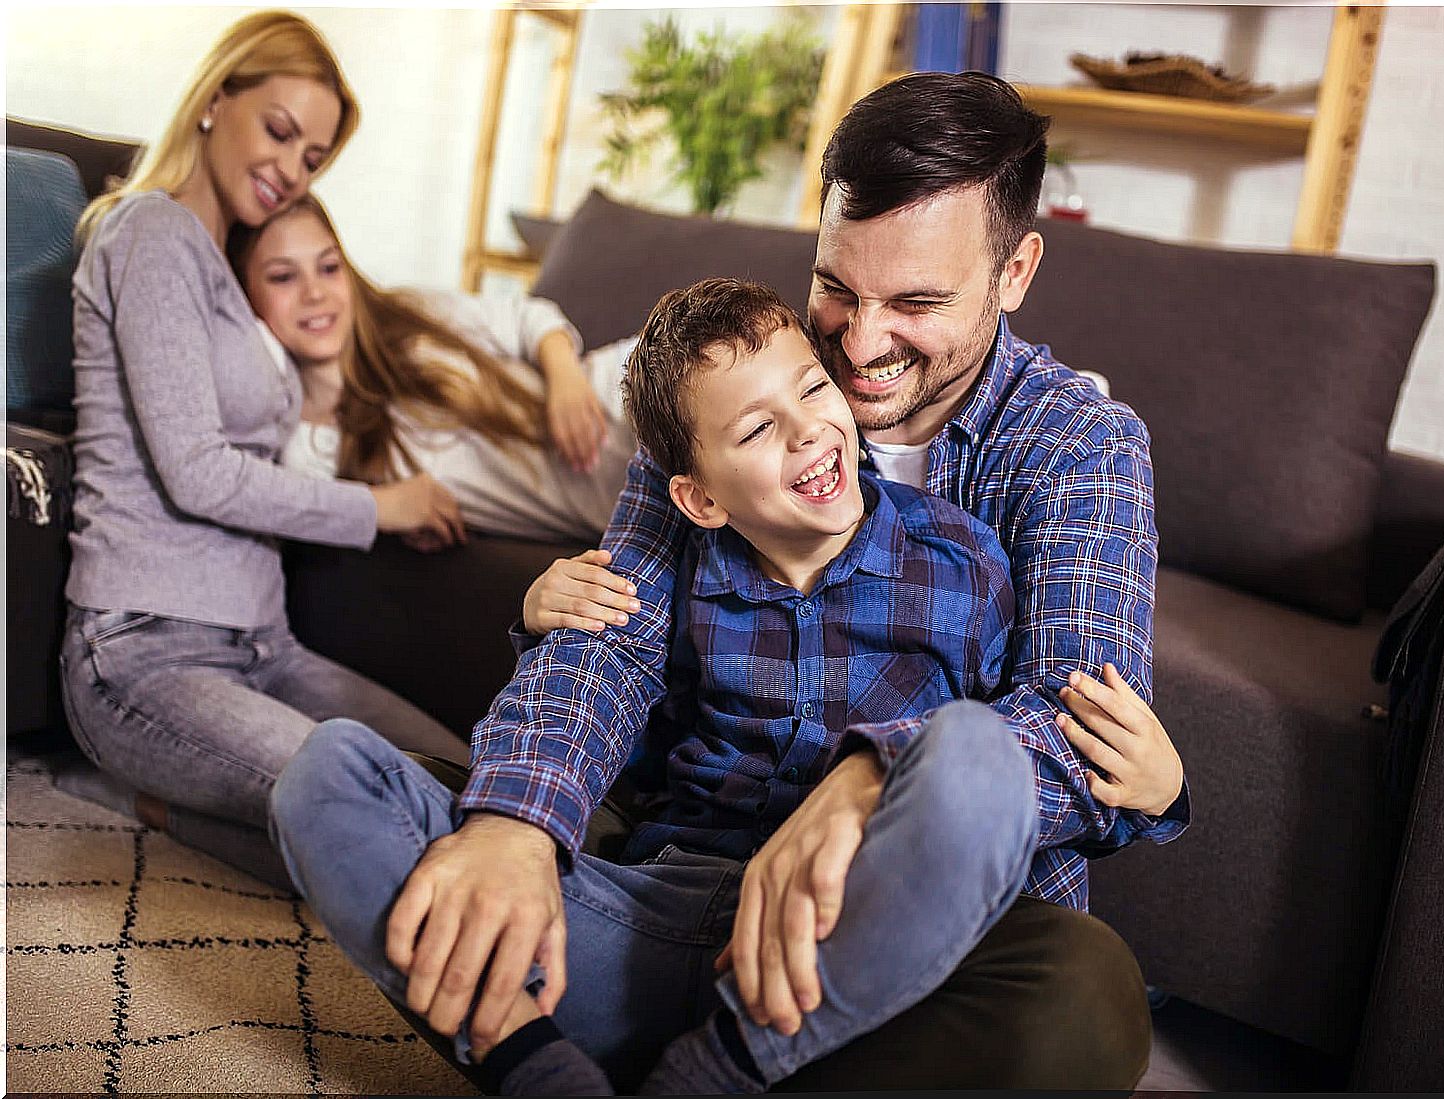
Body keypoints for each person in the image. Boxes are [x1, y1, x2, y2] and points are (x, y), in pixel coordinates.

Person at [273, 277, 1178, 1094]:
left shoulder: (964, 556)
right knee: (327, 777)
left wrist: (1153, 795)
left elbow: (1010, 775)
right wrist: (516, 816)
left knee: (997, 793)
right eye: (755, 430)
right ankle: (538, 1067)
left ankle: (718, 1068)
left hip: (847, 943)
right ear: (700, 496)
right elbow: (599, 678)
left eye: (813, 390)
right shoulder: (681, 552)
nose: (807, 430)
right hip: (661, 916)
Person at [58, 10, 471, 892]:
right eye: (280, 132)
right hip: (143, 650)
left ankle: (179, 806)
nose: (290, 170)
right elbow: (196, 469)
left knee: (469, 785)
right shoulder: (149, 232)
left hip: (264, 643)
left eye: (313, 158)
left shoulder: (230, 263)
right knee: (395, 816)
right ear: (215, 99)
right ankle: (162, 798)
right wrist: (380, 507)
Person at [229, 195, 639, 544]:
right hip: (619, 500)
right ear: (245, 298)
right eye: (283, 277)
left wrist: (565, 379)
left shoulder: (407, 315)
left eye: (329, 267)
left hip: (626, 388)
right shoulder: (308, 451)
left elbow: (525, 317)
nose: (314, 292)